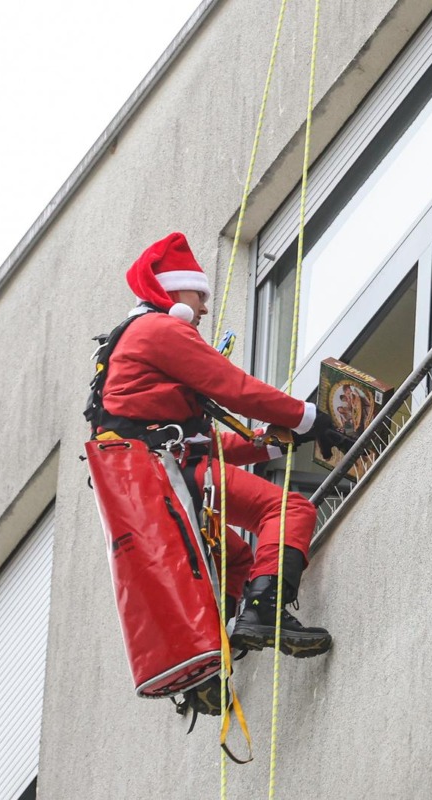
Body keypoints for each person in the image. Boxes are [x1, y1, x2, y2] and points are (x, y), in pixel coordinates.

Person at [95, 232, 349, 669]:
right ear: (173, 291)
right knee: (290, 512)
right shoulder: (159, 329)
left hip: (156, 481)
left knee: (236, 560)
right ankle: (263, 614)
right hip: (170, 474)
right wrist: (308, 417)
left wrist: (268, 446)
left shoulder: (132, 343)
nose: (205, 308)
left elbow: (196, 440)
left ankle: (219, 655)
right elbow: (234, 388)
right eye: (199, 294)